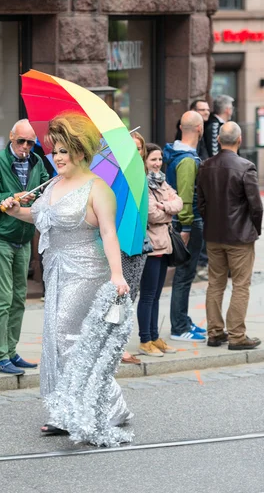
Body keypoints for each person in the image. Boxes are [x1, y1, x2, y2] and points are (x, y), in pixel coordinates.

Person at [1, 113, 133, 446]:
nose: (57, 157)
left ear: (81, 151)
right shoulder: (54, 185)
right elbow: (39, 216)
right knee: (56, 340)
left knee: (71, 338)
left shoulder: (98, 188)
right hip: (56, 271)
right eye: (55, 151)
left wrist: (117, 275)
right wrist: (14, 208)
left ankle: (113, 409)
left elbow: (108, 234)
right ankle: (65, 411)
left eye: (64, 151)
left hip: (87, 271)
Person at [0, 119, 49, 375]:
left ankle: (10, 351)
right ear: (11, 137)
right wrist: (9, 198)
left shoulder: (36, 162)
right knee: (3, 299)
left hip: (23, 236)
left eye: (31, 142)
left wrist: (34, 196)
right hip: (0, 237)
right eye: (21, 141)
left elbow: (46, 191)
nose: (26, 147)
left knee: (19, 298)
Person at [197, 122, 263, 351]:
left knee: (215, 283)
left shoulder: (205, 166)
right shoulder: (246, 167)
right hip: (240, 237)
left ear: (218, 140)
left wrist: (212, 222)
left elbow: (201, 203)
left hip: (214, 235)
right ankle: (237, 336)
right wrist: (254, 229)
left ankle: (215, 333)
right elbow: (256, 206)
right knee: (240, 286)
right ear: (240, 140)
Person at [163, 111, 206, 342]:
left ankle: (183, 320)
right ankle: (179, 327)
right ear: (199, 128)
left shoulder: (174, 153)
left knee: (184, 275)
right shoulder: (188, 159)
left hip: (181, 221)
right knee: (184, 275)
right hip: (189, 222)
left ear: (181, 127)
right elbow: (186, 197)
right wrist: (187, 228)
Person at [137, 144, 183, 356]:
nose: (157, 164)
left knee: (156, 295)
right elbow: (151, 215)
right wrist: (168, 208)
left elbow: (179, 202)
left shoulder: (162, 181)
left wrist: (165, 206)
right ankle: (145, 340)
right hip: (151, 246)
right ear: (145, 161)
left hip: (165, 244)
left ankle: (155, 336)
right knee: (147, 295)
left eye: (159, 159)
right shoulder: (142, 184)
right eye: (153, 160)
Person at [121, 130, 148, 365]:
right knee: (122, 297)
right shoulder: (120, 176)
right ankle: (117, 347)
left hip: (139, 243)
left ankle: (119, 344)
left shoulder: (142, 175)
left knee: (132, 295)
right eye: (129, 147)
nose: (134, 151)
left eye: (138, 148)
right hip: (123, 244)